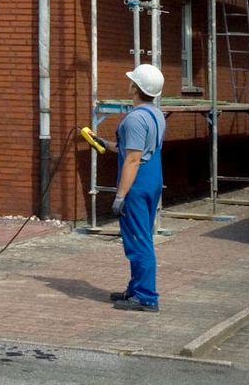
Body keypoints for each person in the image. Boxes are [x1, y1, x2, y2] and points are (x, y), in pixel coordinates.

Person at [96, 63, 166, 313]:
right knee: (142, 236)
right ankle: (135, 289)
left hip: (137, 183)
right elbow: (136, 149)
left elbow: (133, 159)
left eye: (132, 81)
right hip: (153, 178)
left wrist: (120, 196)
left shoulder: (135, 119)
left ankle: (146, 296)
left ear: (135, 87)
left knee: (138, 241)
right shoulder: (156, 114)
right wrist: (105, 143)